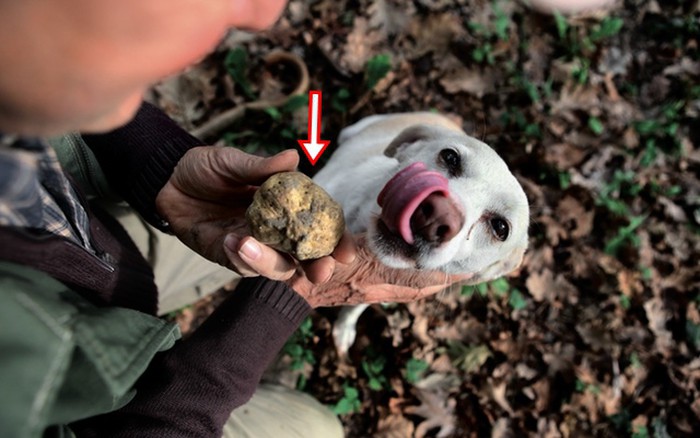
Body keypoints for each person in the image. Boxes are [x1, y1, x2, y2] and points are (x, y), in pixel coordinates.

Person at [0, 0, 467, 437]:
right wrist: (288, 300)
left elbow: (41, 77)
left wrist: (158, 166)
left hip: (89, 263)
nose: (263, 15)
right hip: (90, 407)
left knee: (244, 243)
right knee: (317, 429)